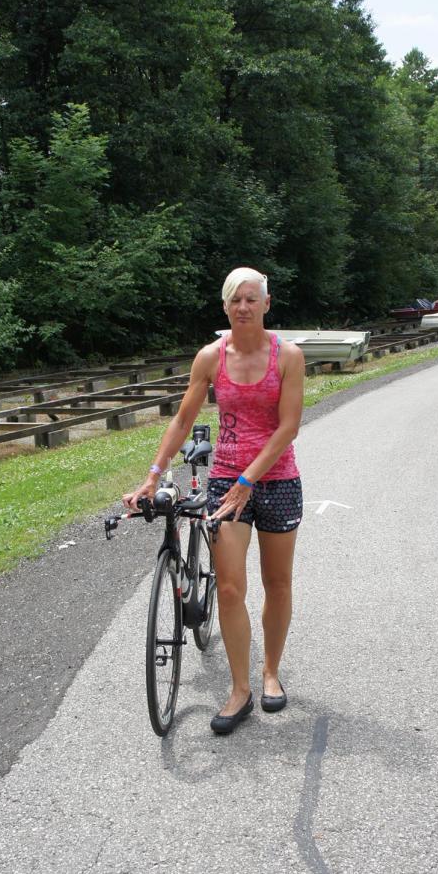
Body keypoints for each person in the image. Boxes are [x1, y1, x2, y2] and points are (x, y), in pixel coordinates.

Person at [123, 267, 305, 735]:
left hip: (278, 480)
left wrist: (250, 478)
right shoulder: (210, 357)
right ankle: (240, 689)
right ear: (225, 307)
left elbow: (288, 426)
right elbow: (182, 421)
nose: (243, 307)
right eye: (234, 300)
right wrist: (153, 476)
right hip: (226, 482)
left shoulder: (288, 356)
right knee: (228, 587)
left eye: (251, 299)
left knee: (277, 583)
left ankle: (271, 672)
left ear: (266, 304)